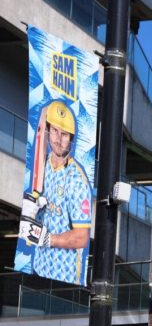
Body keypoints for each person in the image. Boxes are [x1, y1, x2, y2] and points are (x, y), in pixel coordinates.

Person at [32, 101, 92, 283]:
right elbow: (41, 130)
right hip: (38, 268)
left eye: (64, 134)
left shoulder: (77, 180)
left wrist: (48, 239)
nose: (58, 139)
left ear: (71, 139)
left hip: (63, 280)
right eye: (55, 131)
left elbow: (82, 237)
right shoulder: (44, 164)